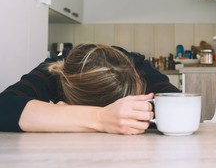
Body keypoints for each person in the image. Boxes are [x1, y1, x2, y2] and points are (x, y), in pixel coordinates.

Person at [0, 43, 180, 134]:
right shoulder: (56, 69)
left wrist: (61, 114)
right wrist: (101, 118)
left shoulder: (137, 66)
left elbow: (180, 106)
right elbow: (4, 107)